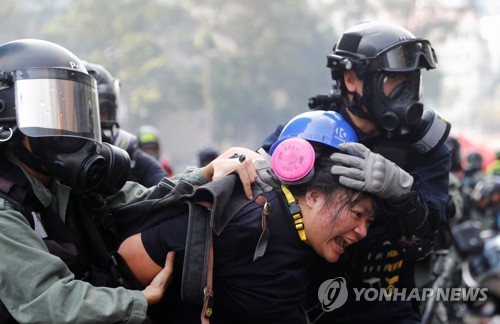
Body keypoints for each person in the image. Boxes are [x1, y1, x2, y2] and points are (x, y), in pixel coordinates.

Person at [0, 38, 260, 323]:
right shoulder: (5, 210)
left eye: (73, 113)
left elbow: (146, 200)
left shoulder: (66, 182)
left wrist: (207, 172)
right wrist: (139, 299)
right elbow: (49, 301)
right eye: (51, 114)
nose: (68, 129)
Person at [264, 21, 451, 323]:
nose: (407, 92)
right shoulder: (310, 130)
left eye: (412, 81)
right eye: (394, 80)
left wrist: (402, 193)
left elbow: (423, 244)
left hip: (386, 302)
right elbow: (259, 202)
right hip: (309, 302)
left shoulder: (424, 147)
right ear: (351, 79)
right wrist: (236, 161)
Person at [118, 110, 378, 323]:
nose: (362, 231)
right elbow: (129, 259)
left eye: (368, 222)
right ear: (313, 195)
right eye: (356, 214)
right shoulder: (245, 217)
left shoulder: (309, 238)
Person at [83, 61, 167, 187]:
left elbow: (166, 189)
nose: (95, 121)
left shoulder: (129, 156)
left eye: (102, 112)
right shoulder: (56, 160)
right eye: (87, 114)